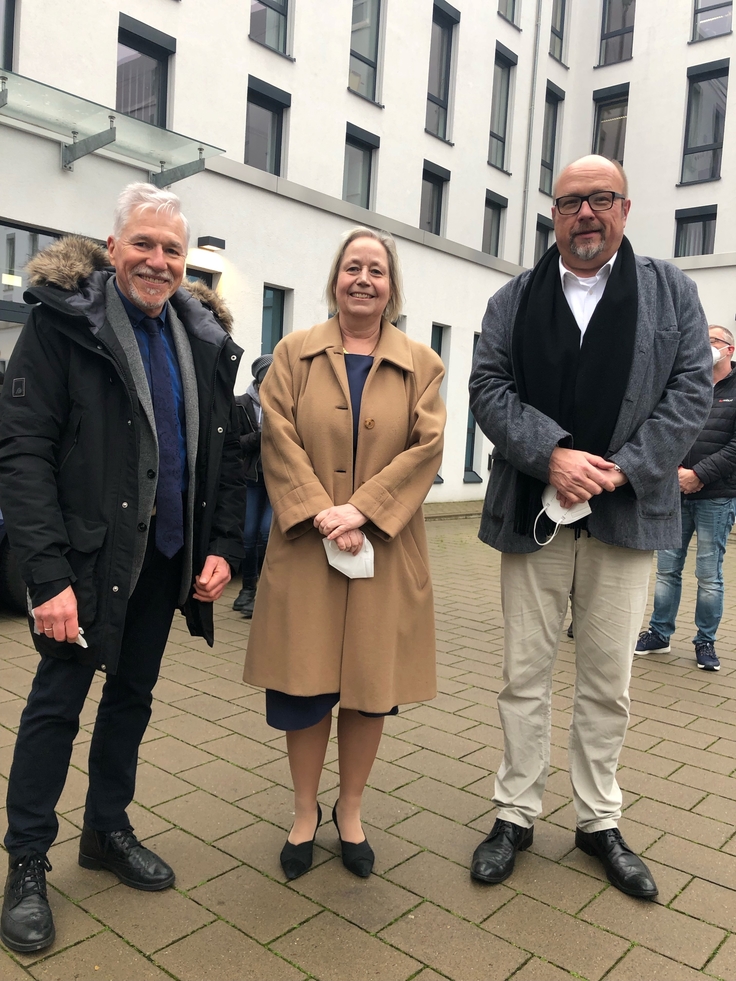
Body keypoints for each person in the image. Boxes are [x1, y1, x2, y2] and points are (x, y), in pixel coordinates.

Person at [0, 183, 245, 953]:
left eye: (172, 249)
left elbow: (227, 453)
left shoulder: (199, 336)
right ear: (112, 249)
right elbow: (23, 454)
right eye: (144, 243)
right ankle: (27, 861)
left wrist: (223, 545)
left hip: (165, 561)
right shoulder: (61, 326)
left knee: (131, 699)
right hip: (83, 565)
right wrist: (45, 575)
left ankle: (105, 828)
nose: (158, 260)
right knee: (56, 708)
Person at [468, 155, 712, 900]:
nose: (586, 214)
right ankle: (515, 812)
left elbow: (691, 386)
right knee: (523, 676)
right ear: (554, 216)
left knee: (609, 679)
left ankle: (598, 819)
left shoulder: (671, 291)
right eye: (571, 201)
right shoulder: (515, 298)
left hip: (626, 512)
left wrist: (621, 467)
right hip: (534, 513)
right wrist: (552, 454)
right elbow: (487, 384)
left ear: (625, 209)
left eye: (600, 199)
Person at [244, 227, 445, 881]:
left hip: (381, 553)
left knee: (367, 691)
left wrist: (362, 510)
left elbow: (427, 448)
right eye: (353, 267)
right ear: (336, 278)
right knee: (303, 688)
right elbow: (275, 435)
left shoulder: (423, 363)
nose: (363, 278)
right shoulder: (293, 352)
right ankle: (305, 812)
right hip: (307, 550)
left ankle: (349, 811)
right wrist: (321, 512)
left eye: (376, 270)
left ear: (391, 287)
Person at [636, 325, 736, 671]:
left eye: (714, 342)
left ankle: (705, 641)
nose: (707, 348)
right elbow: (664, 429)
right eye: (702, 342)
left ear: (730, 350)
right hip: (674, 493)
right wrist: (674, 473)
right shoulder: (684, 385)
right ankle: (659, 634)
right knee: (667, 570)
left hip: (716, 497)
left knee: (709, 574)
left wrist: (699, 475)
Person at [232, 355, 274, 618]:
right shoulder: (240, 405)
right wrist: (260, 436)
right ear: (258, 380)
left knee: (269, 533)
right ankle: (247, 590)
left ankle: (270, 592)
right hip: (250, 480)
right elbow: (234, 443)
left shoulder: (286, 404)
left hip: (276, 481)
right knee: (247, 537)